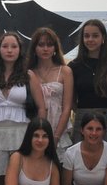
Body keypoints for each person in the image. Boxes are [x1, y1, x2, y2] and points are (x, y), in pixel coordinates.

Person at [0, 32, 46, 180]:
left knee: (21, 179)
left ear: (20, 50)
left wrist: (39, 135)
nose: (9, 50)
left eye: (14, 46)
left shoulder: (29, 75)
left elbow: (41, 107)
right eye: (5, 46)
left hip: (21, 134)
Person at [69, 19, 107, 146]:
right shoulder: (73, 67)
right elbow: (70, 100)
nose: (90, 39)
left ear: (103, 38)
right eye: (86, 36)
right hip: (82, 121)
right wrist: (81, 114)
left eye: (95, 36)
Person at [28, 27, 74, 160]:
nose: (45, 48)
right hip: (33, 125)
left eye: (49, 45)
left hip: (58, 125)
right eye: (41, 45)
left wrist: (56, 137)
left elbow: (67, 108)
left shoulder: (65, 71)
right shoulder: (29, 72)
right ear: (34, 48)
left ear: (55, 48)